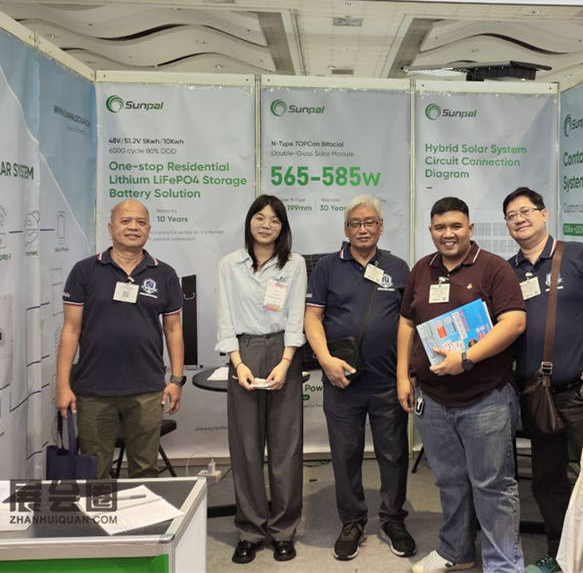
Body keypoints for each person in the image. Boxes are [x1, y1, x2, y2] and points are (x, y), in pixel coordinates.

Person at [397, 197, 527, 573]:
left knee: (492, 485)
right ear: (431, 231)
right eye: (440, 227)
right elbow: (406, 323)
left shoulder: (494, 268)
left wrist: (466, 358)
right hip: (433, 399)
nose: (448, 234)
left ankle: (504, 564)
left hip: (485, 399)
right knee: (450, 481)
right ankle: (456, 551)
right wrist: (402, 375)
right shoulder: (422, 269)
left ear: (470, 228)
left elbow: (514, 322)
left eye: (456, 226)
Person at [503, 186, 583, 573]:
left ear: (544, 214)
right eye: (511, 215)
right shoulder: (508, 270)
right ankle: (560, 555)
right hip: (535, 394)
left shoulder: (580, 255)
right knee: (547, 481)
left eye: (525, 211)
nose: (519, 219)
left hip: (582, 392)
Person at [304, 195, 415, 561]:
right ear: (346, 229)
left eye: (370, 222)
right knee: (345, 455)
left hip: (387, 382)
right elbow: (312, 317)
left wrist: (406, 375)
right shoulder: (326, 267)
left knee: (394, 455)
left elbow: (408, 323)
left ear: (381, 227)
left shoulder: (398, 267)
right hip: (342, 382)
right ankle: (352, 522)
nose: (363, 229)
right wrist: (325, 361)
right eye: (355, 223)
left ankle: (393, 519)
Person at [55, 199, 185, 479]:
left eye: (140, 222)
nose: (133, 227)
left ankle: (144, 511)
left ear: (149, 229)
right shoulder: (85, 270)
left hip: (147, 389)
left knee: (145, 470)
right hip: (94, 390)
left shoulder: (164, 274)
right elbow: (70, 330)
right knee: (94, 472)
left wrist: (176, 380)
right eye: (125, 221)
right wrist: (63, 385)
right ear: (111, 227)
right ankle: (99, 511)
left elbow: (173, 329)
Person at [215, 195, 307, 565]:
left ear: (283, 227)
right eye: (260, 217)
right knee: (246, 447)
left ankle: (284, 530)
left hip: (284, 352)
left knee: (286, 448)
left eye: (274, 220)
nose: (266, 225)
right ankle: (250, 531)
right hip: (245, 352)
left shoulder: (294, 264)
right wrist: (237, 363)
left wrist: (286, 362)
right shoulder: (230, 264)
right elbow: (225, 317)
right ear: (249, 221)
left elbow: (297, 315)